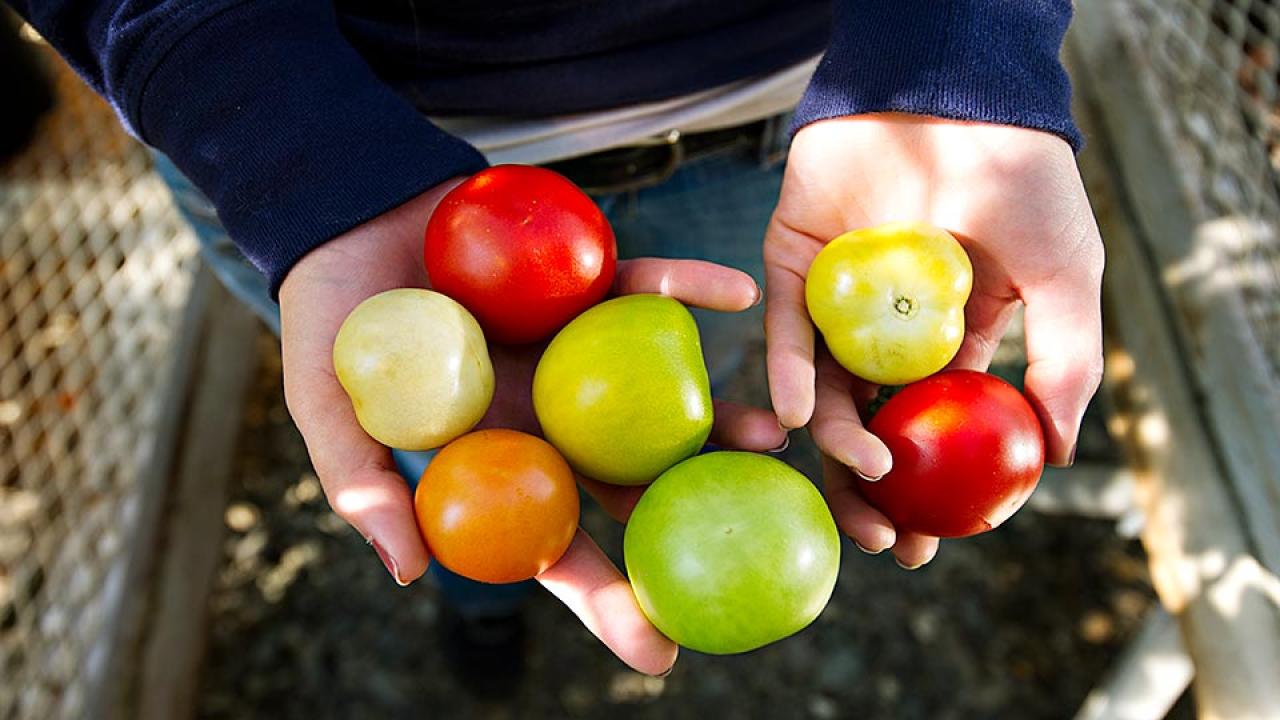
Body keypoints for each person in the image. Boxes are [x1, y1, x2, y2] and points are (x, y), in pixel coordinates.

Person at [10, 0, 1103, 685]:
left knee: (728, 390)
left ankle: (480, 599)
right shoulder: (324, 195)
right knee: (446, 475)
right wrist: (292, 155)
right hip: (327, 160)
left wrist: (953, 45)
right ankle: (479, 601)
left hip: (804, 135)